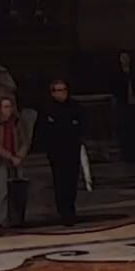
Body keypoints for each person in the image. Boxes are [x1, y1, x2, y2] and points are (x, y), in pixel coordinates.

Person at [41, 78, 89, 226]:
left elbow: (81, 126)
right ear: (52, 93)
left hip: (72, 150)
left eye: (64, 90)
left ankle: (71, 209)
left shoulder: (75, 106)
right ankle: (63, 212)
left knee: (71, 182)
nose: (61, 93)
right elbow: (45, 131)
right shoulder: (47, 108)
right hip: (56, 152)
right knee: (60, 182)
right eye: (58, 90)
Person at [0, 93, 35, 227]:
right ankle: (0, 221)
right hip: (0, 160)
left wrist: (19, 156)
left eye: (10, 106)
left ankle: (17, 219)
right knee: (2, 191)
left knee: (18, 191)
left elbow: (25, 141)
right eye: (5, 107)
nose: (8, 109)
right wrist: (9, 156)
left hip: (16, 159)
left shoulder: (17, 122)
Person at [110, 52, 135, 164]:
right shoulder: (116, 74)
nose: (124, 60)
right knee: (125, 131)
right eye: (122, 58)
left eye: (126, 57)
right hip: (124, 105)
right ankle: (127, 155)